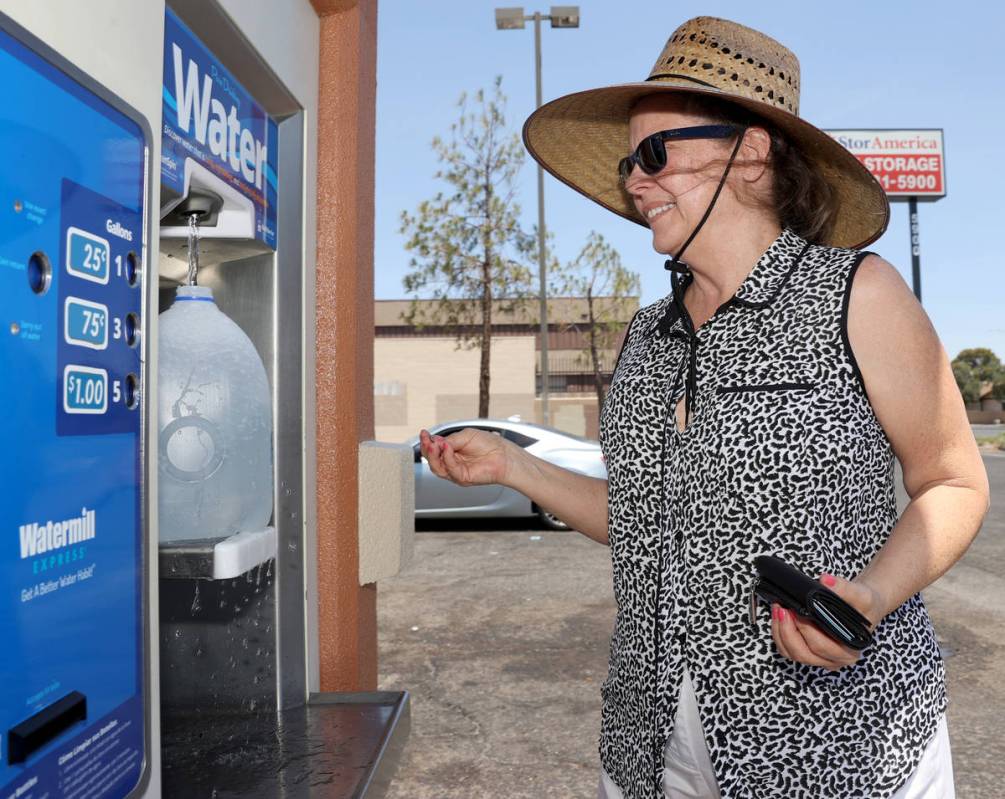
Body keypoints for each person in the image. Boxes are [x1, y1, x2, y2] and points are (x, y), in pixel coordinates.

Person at [418, 16, 989, 799]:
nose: (633, 181)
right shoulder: (646, 335)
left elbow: (954, 482)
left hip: (838, 744)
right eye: (628, 163)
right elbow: (646, 519)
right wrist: (515, 465)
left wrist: (872, 594)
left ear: (751, 150)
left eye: (655, 154)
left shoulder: (856, 293)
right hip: (652, 744)